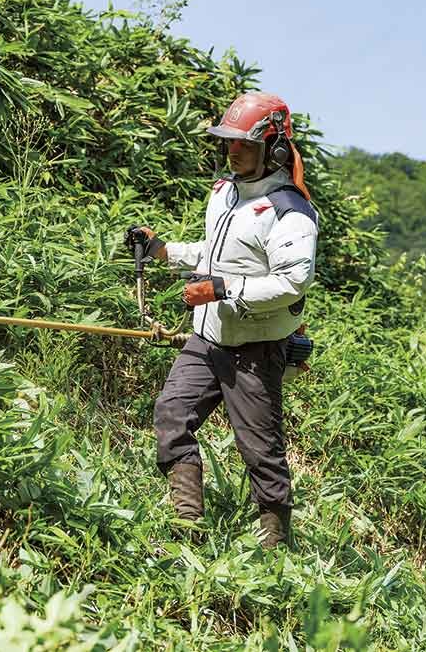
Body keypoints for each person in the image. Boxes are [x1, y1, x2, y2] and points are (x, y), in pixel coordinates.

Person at [127, 91, 319, 549]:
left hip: (255, 350)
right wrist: (164, 251)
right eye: (227, 142)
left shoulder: (290, 214)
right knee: (172, 414)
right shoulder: (225, 193)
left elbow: (293, 282)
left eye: (242, 144)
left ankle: (275, 545)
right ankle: (186, 523)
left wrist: (223, 289)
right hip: (207, 338)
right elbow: (212, 253)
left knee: (260, 450)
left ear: (272, 147)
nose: (232, 151)